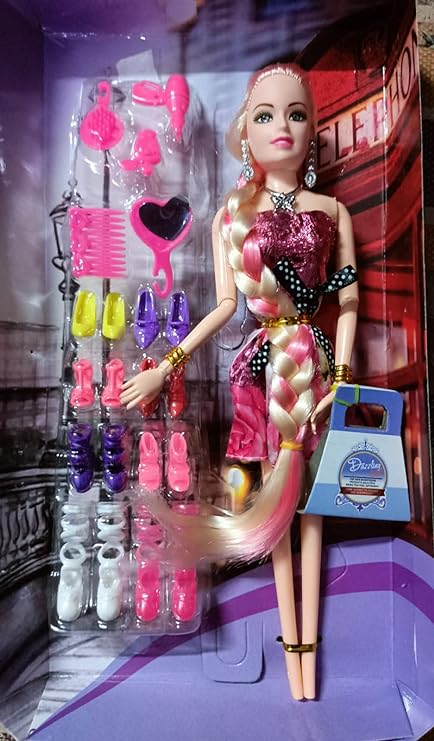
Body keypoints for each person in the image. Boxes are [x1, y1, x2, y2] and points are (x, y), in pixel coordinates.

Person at [120, 63, 358, 699]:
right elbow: (226, 307)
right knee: (276, 506)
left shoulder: (331, 210)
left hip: (311, 364)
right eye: (265, 115)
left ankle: (307, 657)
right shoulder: (232, 214)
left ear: (312, 134)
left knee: (312, 505)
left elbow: (350, 302)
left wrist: (342, 376)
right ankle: (294, 654)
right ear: (244, 135)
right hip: (262, 369)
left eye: (297, 114)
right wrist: (166, 364)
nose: (283, 126)